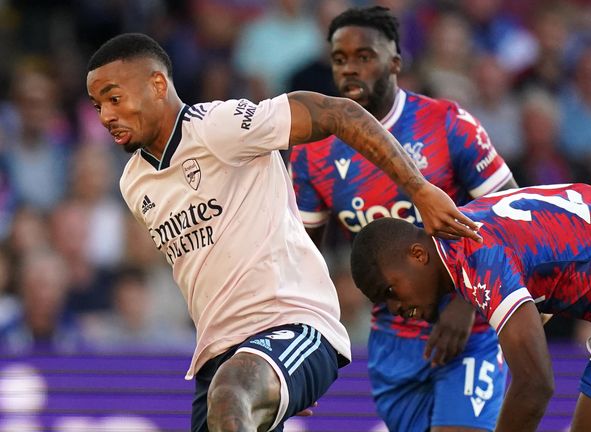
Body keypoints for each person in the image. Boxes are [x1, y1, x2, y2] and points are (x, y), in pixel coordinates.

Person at [85, 33, 481, 432]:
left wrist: (418, 188)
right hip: (222, 356)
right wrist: (272, 384)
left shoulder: (218, 126)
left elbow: (337, 112)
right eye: (98, 105)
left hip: (291, 323)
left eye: (114, 98)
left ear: (157, 84)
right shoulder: (133, 183)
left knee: (231, 394)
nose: (105, 115)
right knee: (231, 396)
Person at [290, 6, 517, 432]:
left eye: (364, 56)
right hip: (392, 340)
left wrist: (468, 306)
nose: (351, 69)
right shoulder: (313, 153)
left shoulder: (448, 125)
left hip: (470, 328)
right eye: (340, 60)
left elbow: (512, 216)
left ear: (395, 62)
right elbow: (301, 261)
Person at [350, 183, 591, 432]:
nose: (396, 308)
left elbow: (534, 385)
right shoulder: (472, 219)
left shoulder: (476, 258)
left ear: (417, 254)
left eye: (390, 291)